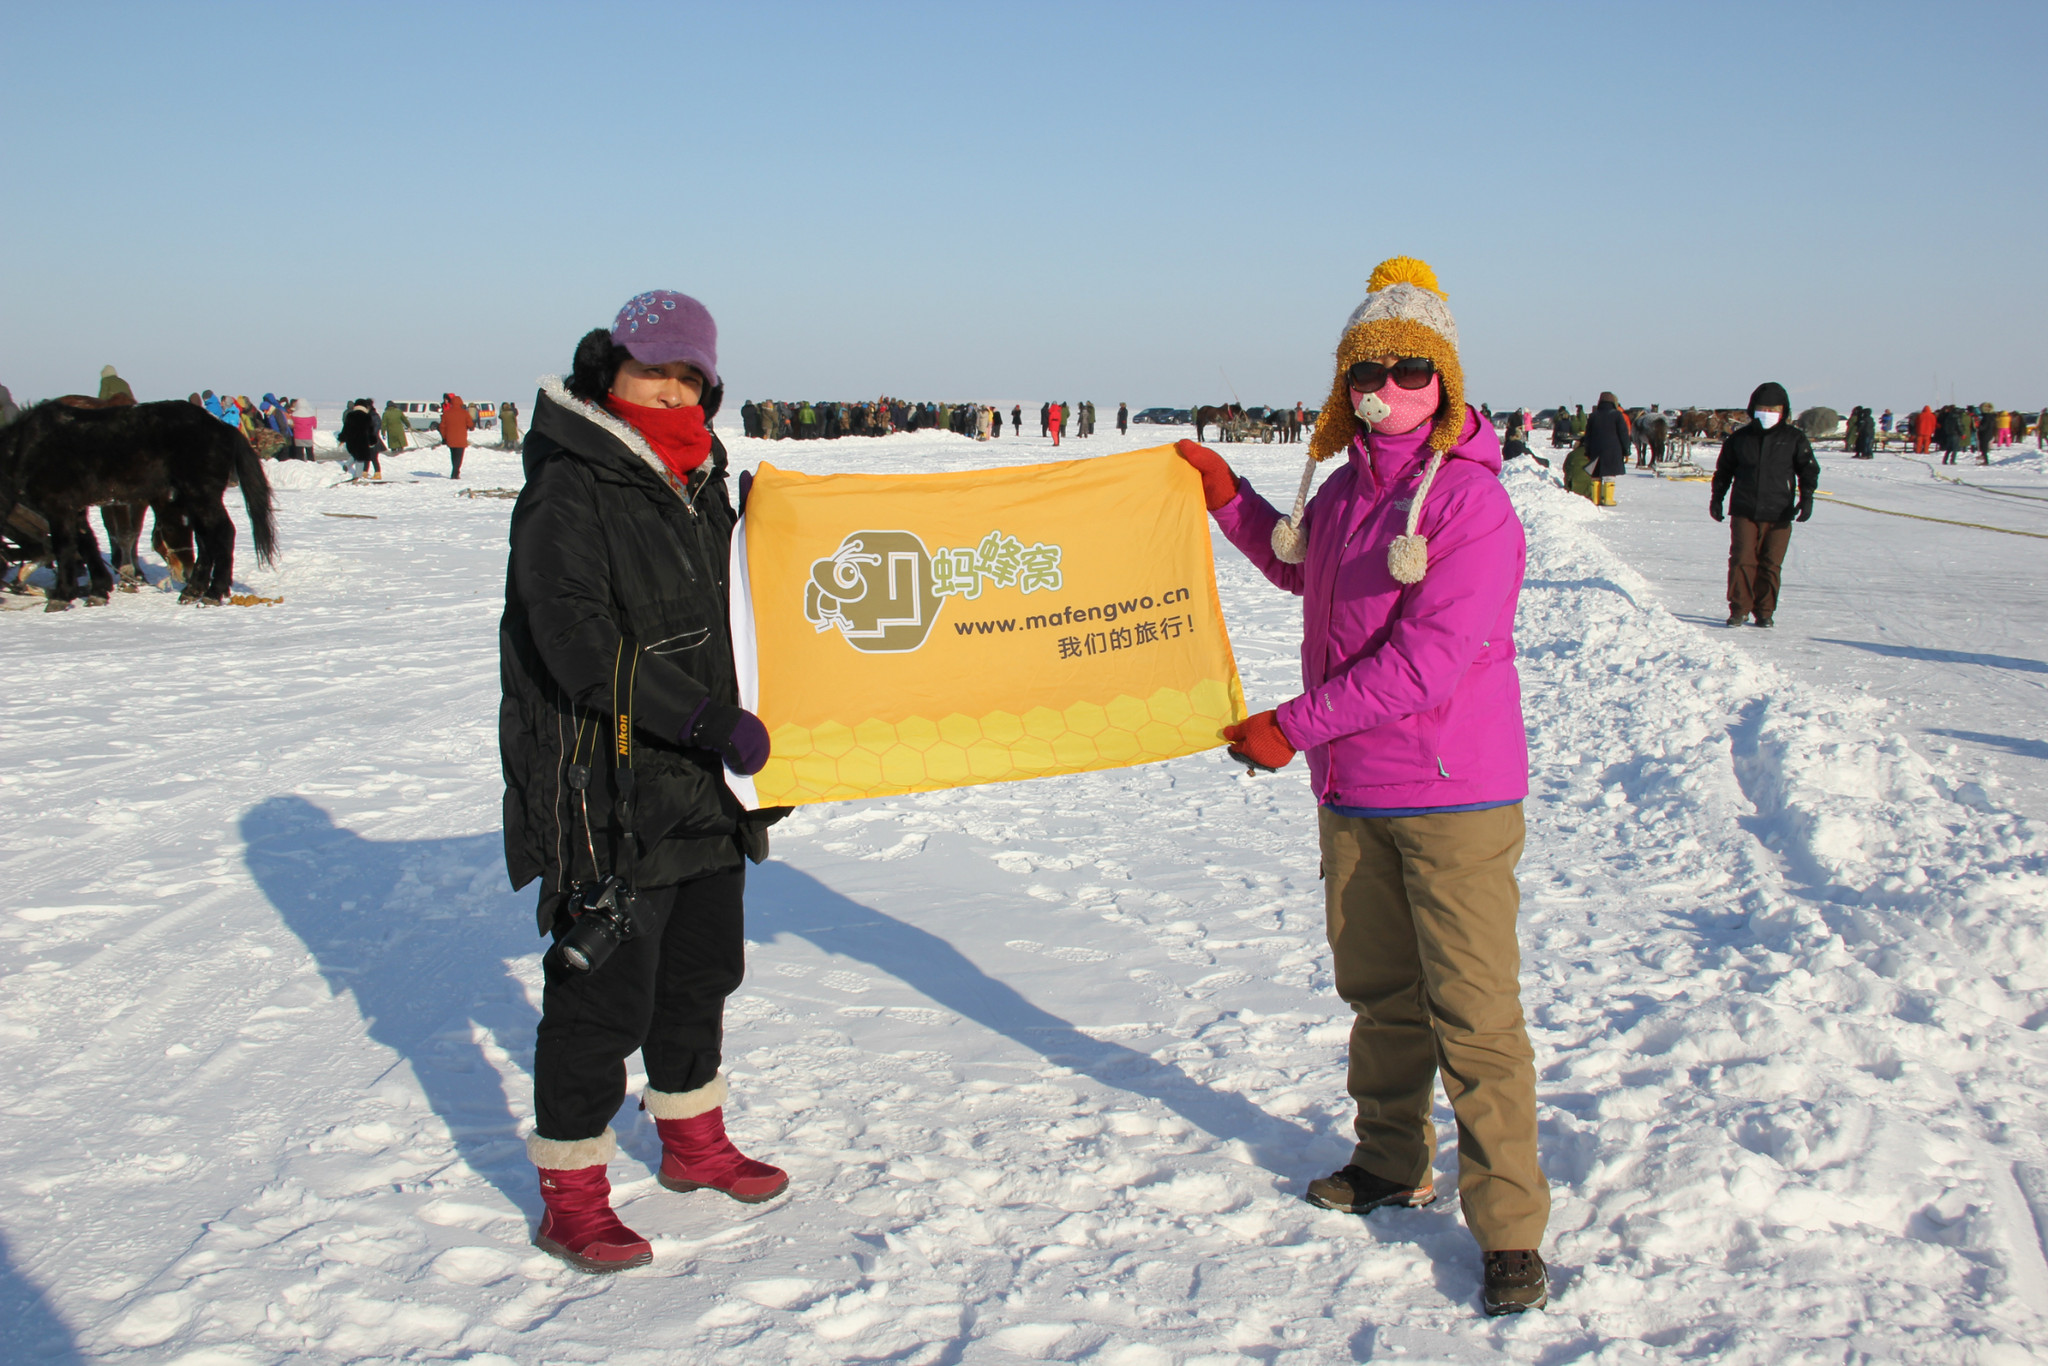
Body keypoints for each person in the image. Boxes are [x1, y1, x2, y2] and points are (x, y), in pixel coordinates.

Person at [1175, 257, 1549, 1317]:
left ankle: (1510, 1230)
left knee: (1472, 1014)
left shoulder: (1471, 502)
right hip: (1354, 794)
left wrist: (1289, 727)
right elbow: (1303, 567)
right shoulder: (1342, 490)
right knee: (1380, 998)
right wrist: (1229, 500)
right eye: (1366, 371)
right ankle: (1390, 1160)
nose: (1386, 387)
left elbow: (1429, 663)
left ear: (1444, 381)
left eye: (1408, 370)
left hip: (1453, 797)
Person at [501, 289, 788, 1274]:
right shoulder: (569, 483)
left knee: (701, 974)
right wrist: (702, 717)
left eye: (687, 376)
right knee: (601, 1001)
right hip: (605, 785)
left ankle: (692, 1140)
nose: (669, 389)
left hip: (704, 785)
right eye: (650, 370)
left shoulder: (706, 480)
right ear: (606, 371)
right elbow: (574, 639)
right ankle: (573, 1193)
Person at [1710, 381, 1817, 628]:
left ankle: (1765, 611)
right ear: (1753, 409)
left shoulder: (1794, 438)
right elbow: (1724, 471)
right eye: (1763, 408)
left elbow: (1808, 470)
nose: (1767, 413)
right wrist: (1717, 498)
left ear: (1783, 410)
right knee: (1742, 560)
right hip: (1744, 510)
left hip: (1779, 512)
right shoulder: (1740, 439)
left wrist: (1807, 498)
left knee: (1771, 564)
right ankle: (1739, 609)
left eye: (1773, 409)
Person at [1582, 392, 1629, 506]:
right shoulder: (1617, 415)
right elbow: (1623, 434)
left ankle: (1596, 499)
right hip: (1613, 450)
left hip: (1595, 449)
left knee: (1595, 475)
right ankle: (1608, 499)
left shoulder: (1593, 416)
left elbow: (1588, 436)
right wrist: (1626, 450)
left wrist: (1587, 451)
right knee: (1609, 474)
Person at [338, 397, 383, 479]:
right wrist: (372, 441)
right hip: (363, 440)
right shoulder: (367, 417)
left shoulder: (350, 416)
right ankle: (358, 476)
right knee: (360, 458)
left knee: (355, 454)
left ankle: (348, 465)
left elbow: (346, 429)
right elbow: (370, 431)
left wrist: (342, 439)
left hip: (352, 441)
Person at [441, 391, 471, 478]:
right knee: (459, 456)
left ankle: (455, 471)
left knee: (453, 456)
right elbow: (470, 424)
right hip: (461, 439)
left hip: (450, 439)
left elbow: (442, 427)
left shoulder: (446, 413)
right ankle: (455, 472)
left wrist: (444, 437)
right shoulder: (465, 413)